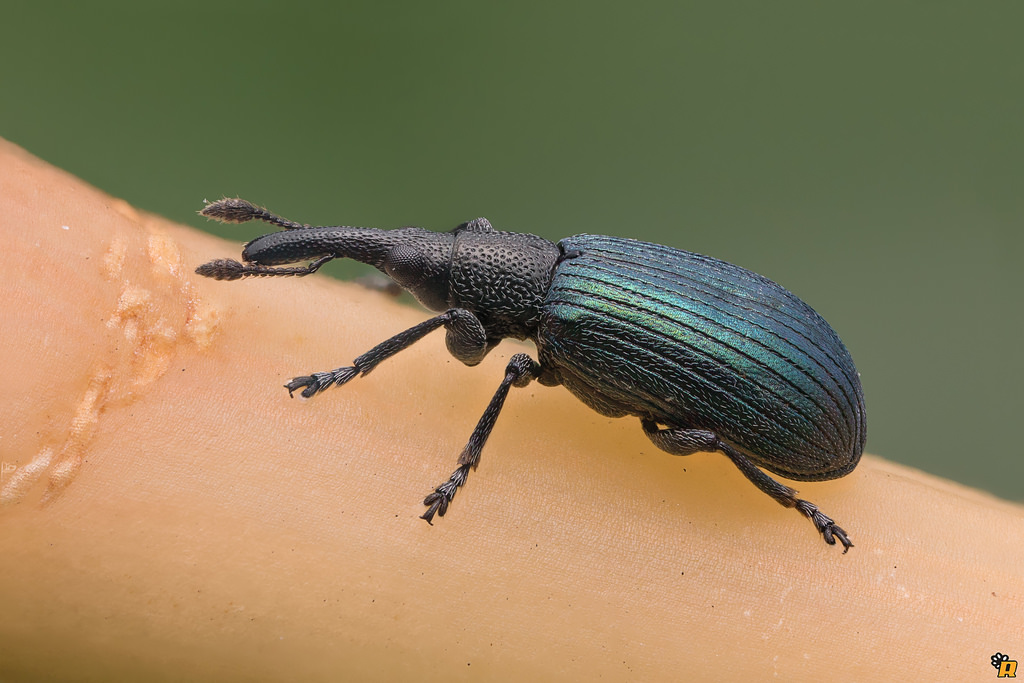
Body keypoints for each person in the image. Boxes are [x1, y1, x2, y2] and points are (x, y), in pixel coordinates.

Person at [1, 138, 1020, 681]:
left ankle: (793, 508)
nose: (413, 273)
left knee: (679, 432)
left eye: (422, 273)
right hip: (779, 340)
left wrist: (357, 377)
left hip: (794, 403)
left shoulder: (558, 324)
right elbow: (447, 274)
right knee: (454, 298)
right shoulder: (543, 269)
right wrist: (365, 260)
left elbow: (462, 320)